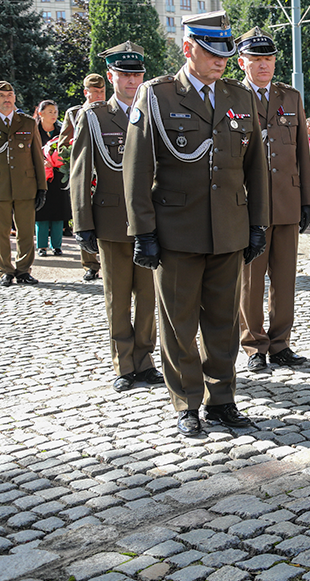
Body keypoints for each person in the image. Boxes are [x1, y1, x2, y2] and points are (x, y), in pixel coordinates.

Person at [123, 10, 269, 436]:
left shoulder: (239, 98)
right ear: (188, 49)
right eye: (211, 52)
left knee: (223, 321)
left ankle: (222, 399)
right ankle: (187, 402)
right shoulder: (158, 96)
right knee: (179, 323)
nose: (221, 60)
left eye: (226, 52)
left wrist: (256, 223)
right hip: (177, 231)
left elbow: (255, 166)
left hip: (228, 229)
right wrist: (143, 231)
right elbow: (136, 169)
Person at [70, 41, 164, 393]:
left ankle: (145, 359)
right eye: (124, 74)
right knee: (117, 297)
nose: (131, 80)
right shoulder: (94, 117)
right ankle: (123, 364)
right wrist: (83, 224)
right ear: (111, 76)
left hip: (150, 222)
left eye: (137, 74)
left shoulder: (154, 113)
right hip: (110, 221)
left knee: (148, 295)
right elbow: (80, 173)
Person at [235, 27, 310, 373]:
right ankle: (254, 344)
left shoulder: (290, 97)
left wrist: (308, 199)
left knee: (285, 279)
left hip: (286, 201)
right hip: (248, 206)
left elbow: (301, 152)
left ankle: (281, 342)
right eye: (256, 59)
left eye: (268, 59)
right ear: (242, 62)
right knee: (252, 281)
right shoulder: (232, 97)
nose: (264, 65)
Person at [0, 81, 46, 287]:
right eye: (2, 96)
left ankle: (23, 270)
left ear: (15, 98)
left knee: (26, 231)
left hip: (25, 186)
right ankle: (6, 270)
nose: (7, 99)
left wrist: (42, 187)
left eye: (10, 95)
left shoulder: (28, 122)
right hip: (0, 187)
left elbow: (37, 155)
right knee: (1, 232)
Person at [61, 74, 106, 281]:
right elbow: (62, 146)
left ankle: (107, 259)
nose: (98, 95)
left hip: (106, 172)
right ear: (85, 92)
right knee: (84, 215)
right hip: (85, 172)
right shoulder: (75, 113)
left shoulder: (109, 110)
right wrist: (73, 149)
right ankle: (90, 264)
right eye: (94, 92)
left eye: (101, 91)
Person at [34, 100, 70, 258]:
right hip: (39, 175)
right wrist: (42, 161)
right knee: (41, 212)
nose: (54, 115)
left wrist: (58, 160)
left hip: (58, 176)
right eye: (50, 112)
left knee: (58, 211)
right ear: (40, 114)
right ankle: (41, 246)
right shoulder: (34, 130)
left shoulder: (61, 131)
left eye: (55, 112)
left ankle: (57, 245)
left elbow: (67, 150)